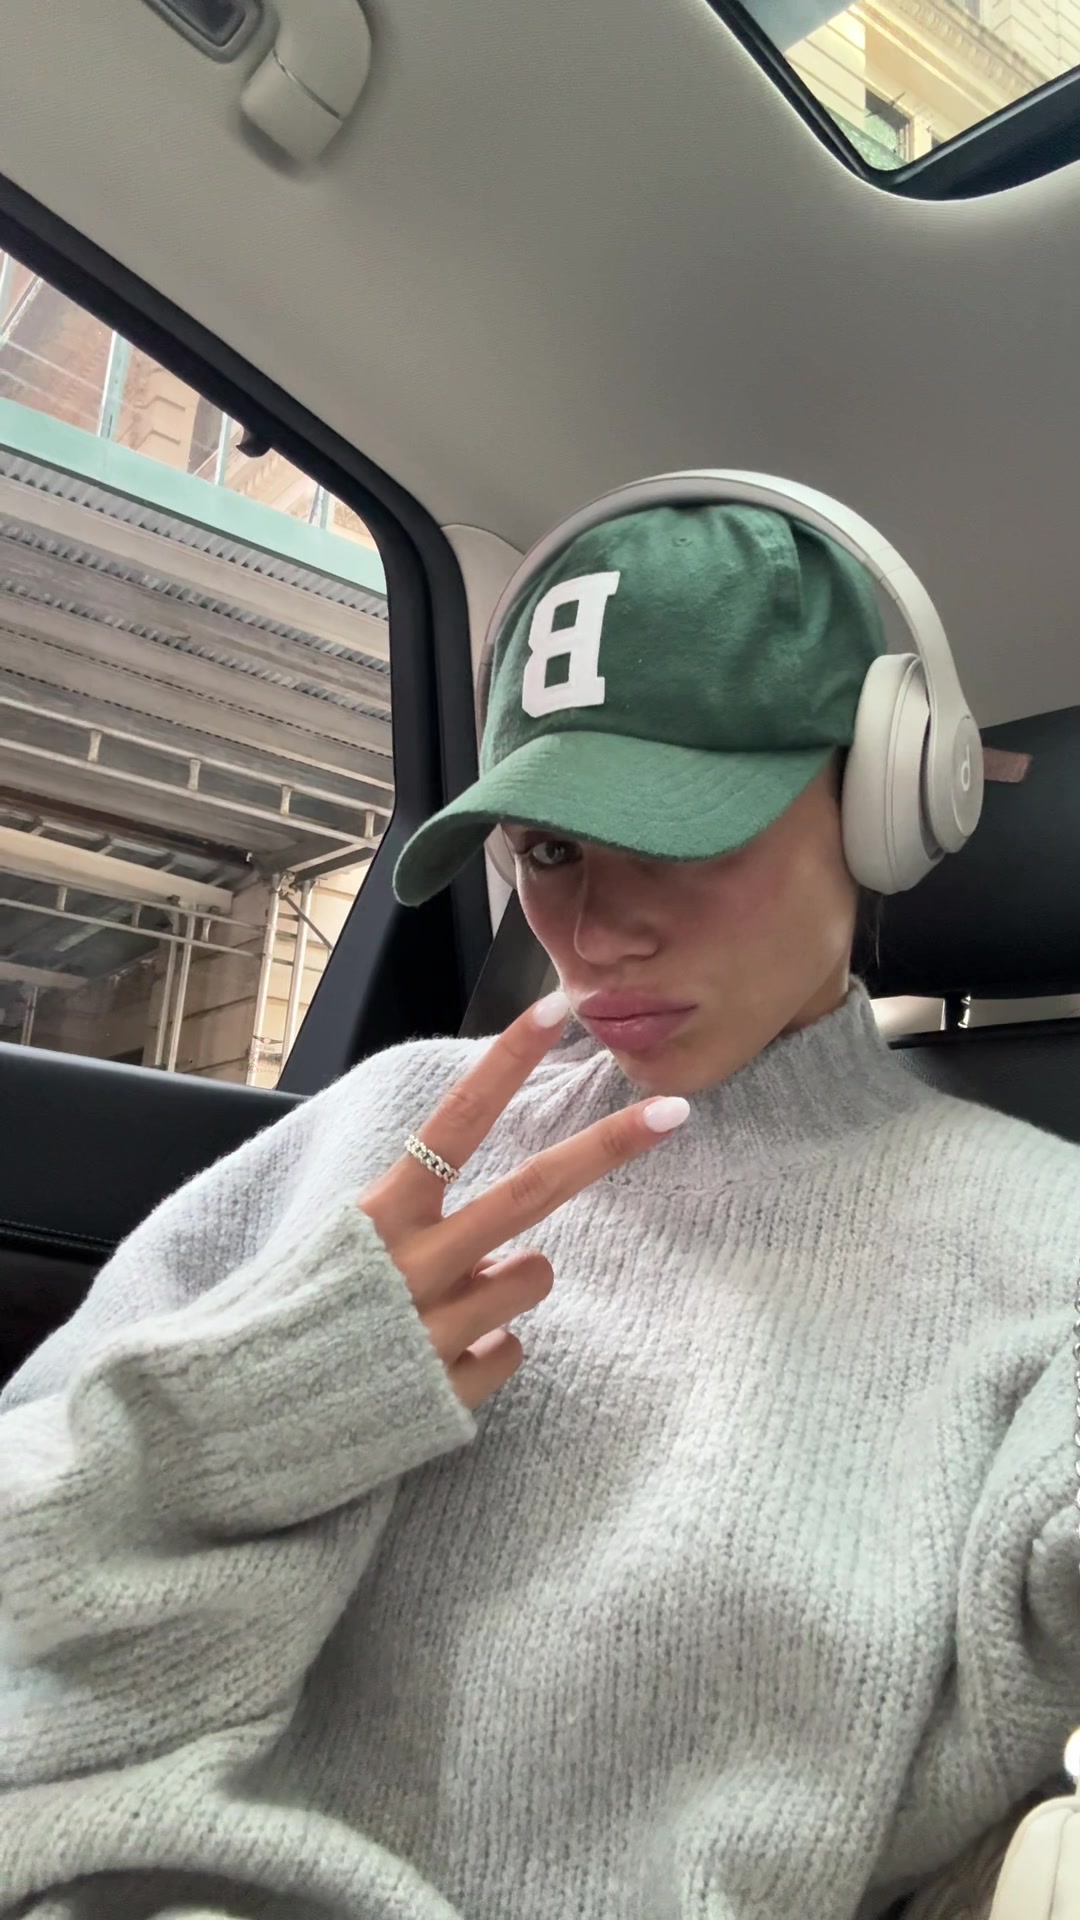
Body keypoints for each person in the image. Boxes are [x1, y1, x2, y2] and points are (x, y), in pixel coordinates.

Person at [0, 496, 1076, 1920]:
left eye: (683, 831)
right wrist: (261, 1408)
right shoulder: (391, 1121)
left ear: (884, 798)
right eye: (552, 850)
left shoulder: (1043, 1250)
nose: (594, 931)